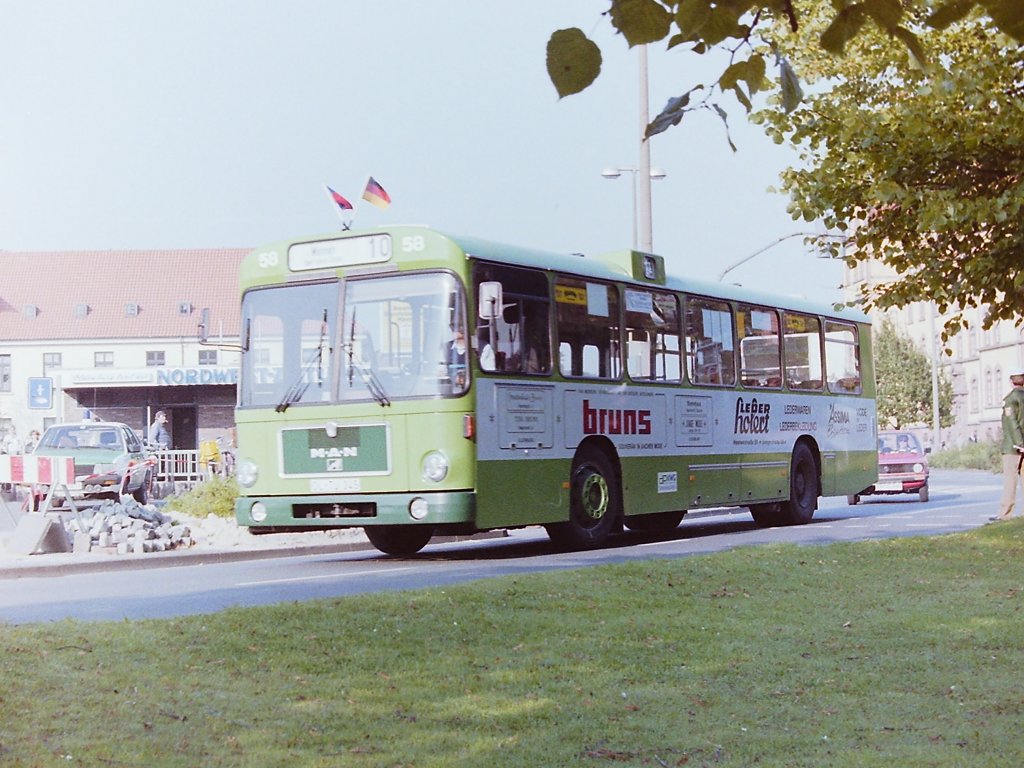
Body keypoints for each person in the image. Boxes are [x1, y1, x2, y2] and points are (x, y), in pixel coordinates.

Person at [992, 367, 1024, 521]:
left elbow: (1011, 422)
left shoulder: (1010, 400)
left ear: (1011, 381)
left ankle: (1005, 514)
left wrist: (1020, 443)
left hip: (1013, 447)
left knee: (1010, 482)